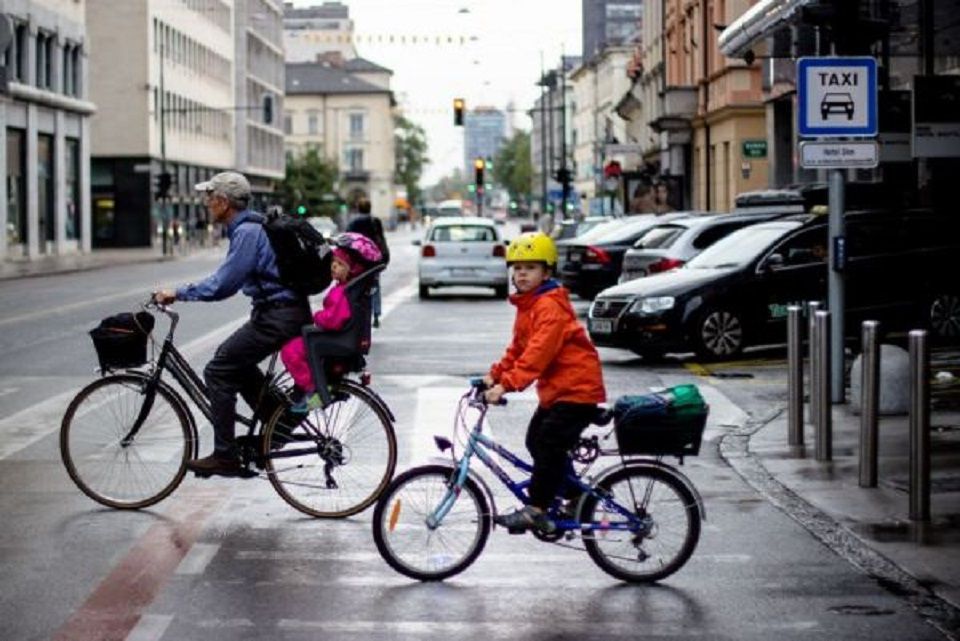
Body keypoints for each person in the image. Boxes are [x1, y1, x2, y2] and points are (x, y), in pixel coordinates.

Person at [153, 172, 312, 478]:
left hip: (278, 315)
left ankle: (225, 456)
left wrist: (179, 292)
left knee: (219, 369)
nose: (206, 203)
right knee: (235, 363)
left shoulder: (247, 233)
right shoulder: (250, 228)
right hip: (282, 313)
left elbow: (223, 284)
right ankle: (277, 425)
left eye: (209, 197)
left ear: (223, 202)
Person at [483, 232, 606, 533]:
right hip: (559, 392)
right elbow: (519, 349)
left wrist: (505, 385)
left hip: (577, 391)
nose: (521, 274)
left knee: (549, 443)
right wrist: (494, 374)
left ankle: (536, 509)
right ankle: (576, 496)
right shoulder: (530, 305)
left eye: (531, 268)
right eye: (517, 268)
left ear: (547, 272)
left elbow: (537, 356)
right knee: (536, 441)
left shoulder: (549, 307)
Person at [280, 232, 382, 411]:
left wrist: (317, 317)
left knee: (290, 351)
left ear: (353, 269)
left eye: (340, 264)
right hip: (342, 338)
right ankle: (312, 390)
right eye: (333, 263)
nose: (334, 267)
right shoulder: (347, 290)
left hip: (335, 339)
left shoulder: (343, 293)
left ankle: (313, 391)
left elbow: (334, 320)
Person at [346, 198, 390, 328]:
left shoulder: (353, 222)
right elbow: (381, 239)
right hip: (373, 259)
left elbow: (348, 239)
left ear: (358, 208)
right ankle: (376, 315)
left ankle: (355, 313)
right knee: (374, 286)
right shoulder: (375, 221)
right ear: (370, 208)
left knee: (355, 286)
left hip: (358, 259)